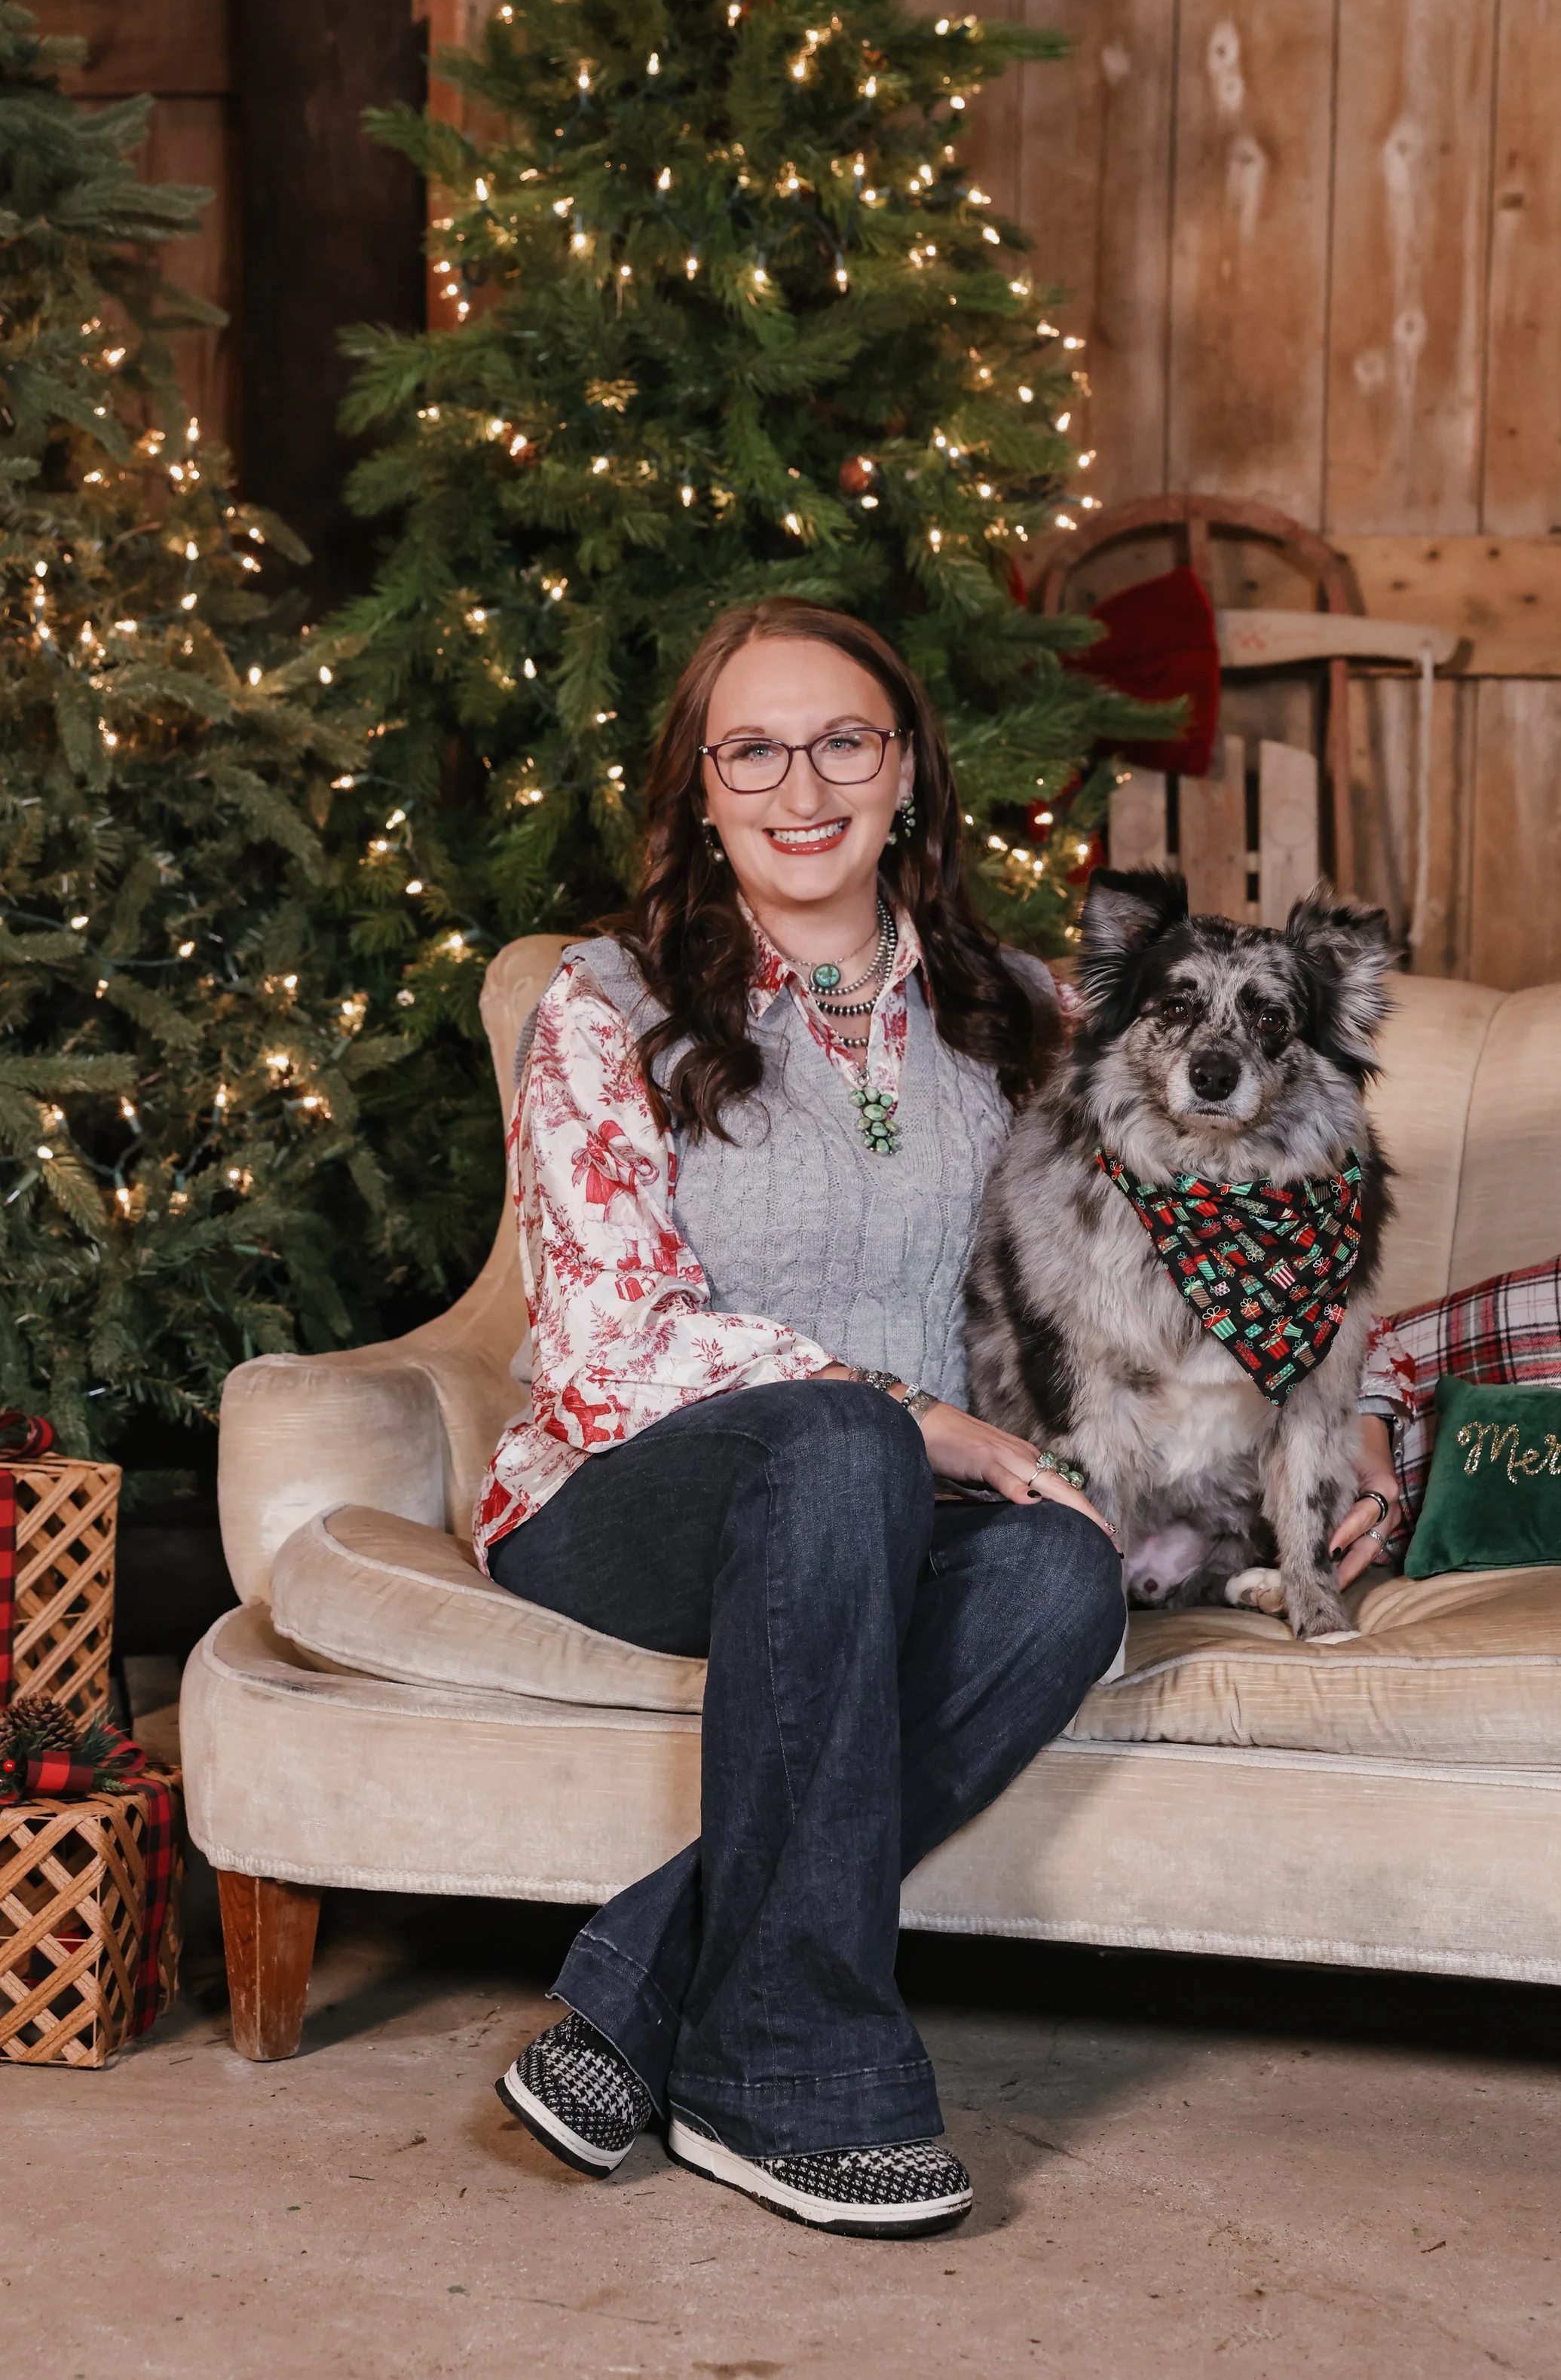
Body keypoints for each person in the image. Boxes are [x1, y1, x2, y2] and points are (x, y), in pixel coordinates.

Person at [482, 598, 1126, 2239]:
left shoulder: (1018, 1013)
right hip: (627, 1498)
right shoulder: (604, 1003)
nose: (800, 785)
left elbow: (1146, 1277)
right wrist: (906, 1410)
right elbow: (602, 1347)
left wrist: (1353, 1431)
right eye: (750, 750)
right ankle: (791, 2073)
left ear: (905, 769)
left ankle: (644, 1991)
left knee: (1063, 1573)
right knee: (836, 1436)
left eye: (842, 739)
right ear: (698, 791)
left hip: (888, 1520)